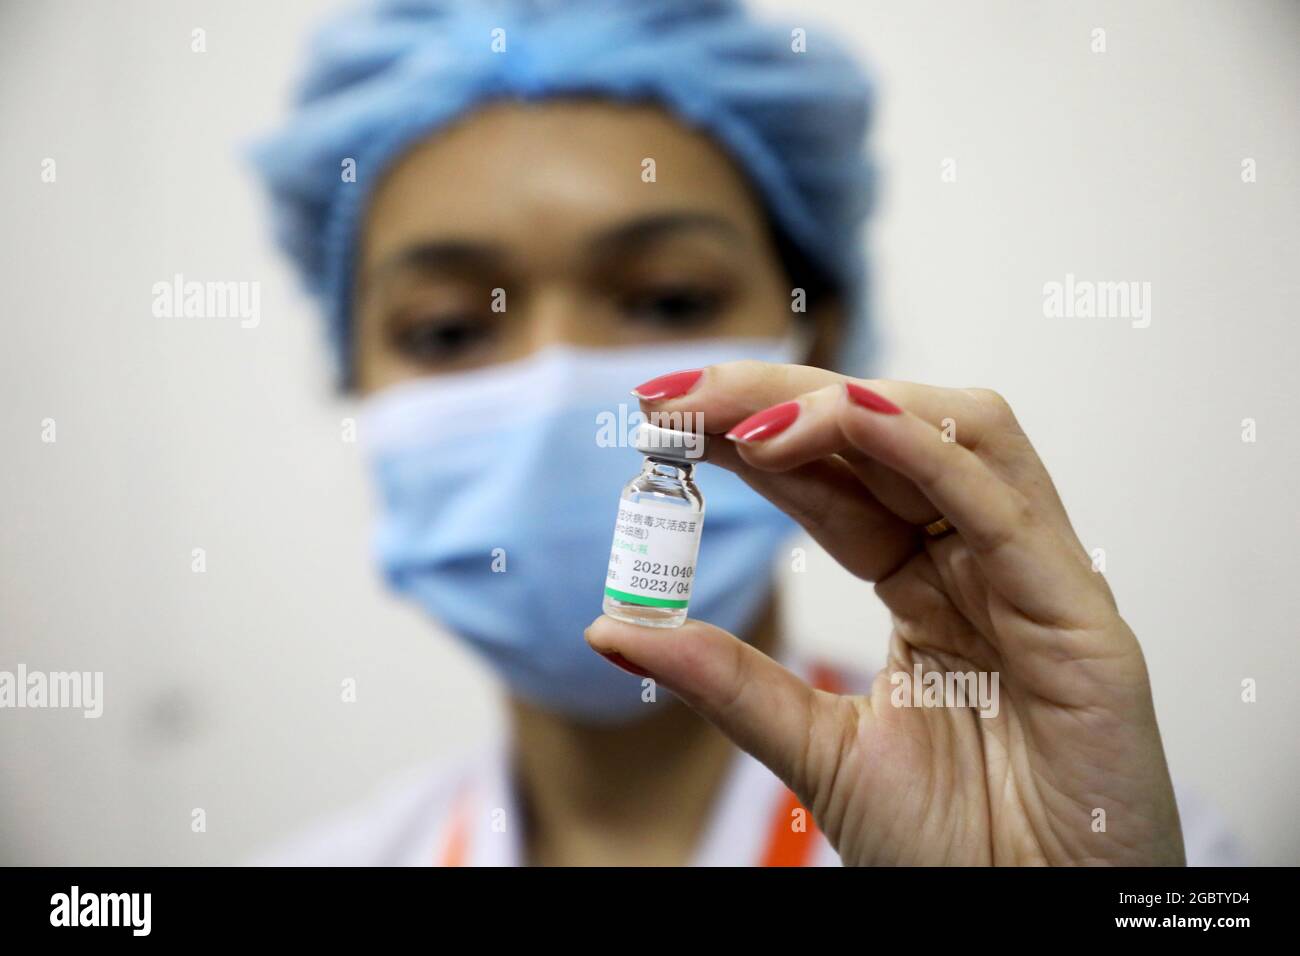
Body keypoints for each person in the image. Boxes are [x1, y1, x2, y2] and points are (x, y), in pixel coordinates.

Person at [250, 0, 1243, 866]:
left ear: (825, 334)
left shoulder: (1107, 843)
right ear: (353, 379)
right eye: (448, 327)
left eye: (669, 297)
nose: (558, 380)